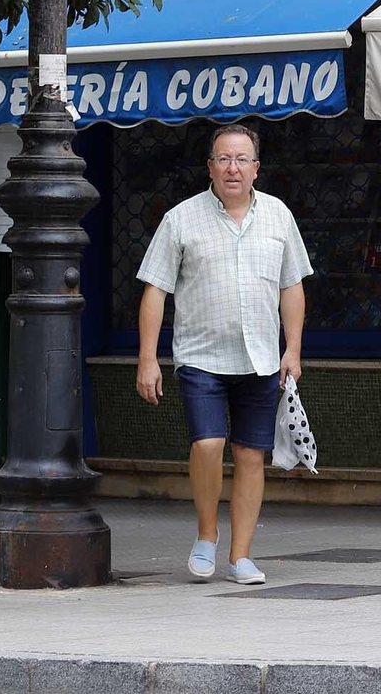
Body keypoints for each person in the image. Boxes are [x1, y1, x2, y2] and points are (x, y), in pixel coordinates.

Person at [136, 123, 312, 586]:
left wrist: (292, 349)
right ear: (210, 167)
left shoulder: (278, 216)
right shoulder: (180, 219)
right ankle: (207, 534)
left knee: (252, 455)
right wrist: (147, 358)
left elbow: (291, 286)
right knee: (208, 444)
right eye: (223, 159)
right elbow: (155, 290)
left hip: (261, 358)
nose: (233, 168)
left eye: (242, 160)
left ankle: (241, 556)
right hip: (200, 356)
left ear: (256, 167)